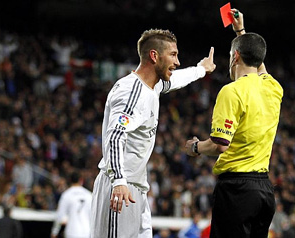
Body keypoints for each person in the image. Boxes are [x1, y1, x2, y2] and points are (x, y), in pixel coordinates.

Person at [90, 28, 216, 238]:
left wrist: (201, 69)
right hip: (120, 188)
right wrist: (119, 181)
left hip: (137, 189)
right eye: (173, 55)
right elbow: (114, 135)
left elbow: (175, 79)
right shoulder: (132, 91)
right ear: (154, 56)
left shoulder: (152, 87)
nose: (177, 62)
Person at [185, 9, 283, 238]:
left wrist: (195, 147)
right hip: (264, 191)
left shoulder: (231, 91)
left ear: (235, 56)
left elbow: (220, 145)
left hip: (236, 190)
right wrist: (240, 31)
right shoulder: (273, 88)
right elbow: (259, 65)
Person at [51, 171, 92, 238]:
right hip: (87, 232)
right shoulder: (89, 195)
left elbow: (60, 215)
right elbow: (93, 216)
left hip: (72, 231)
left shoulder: (66, 195)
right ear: (81, 180)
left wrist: (54, 232)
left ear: (70, 180)